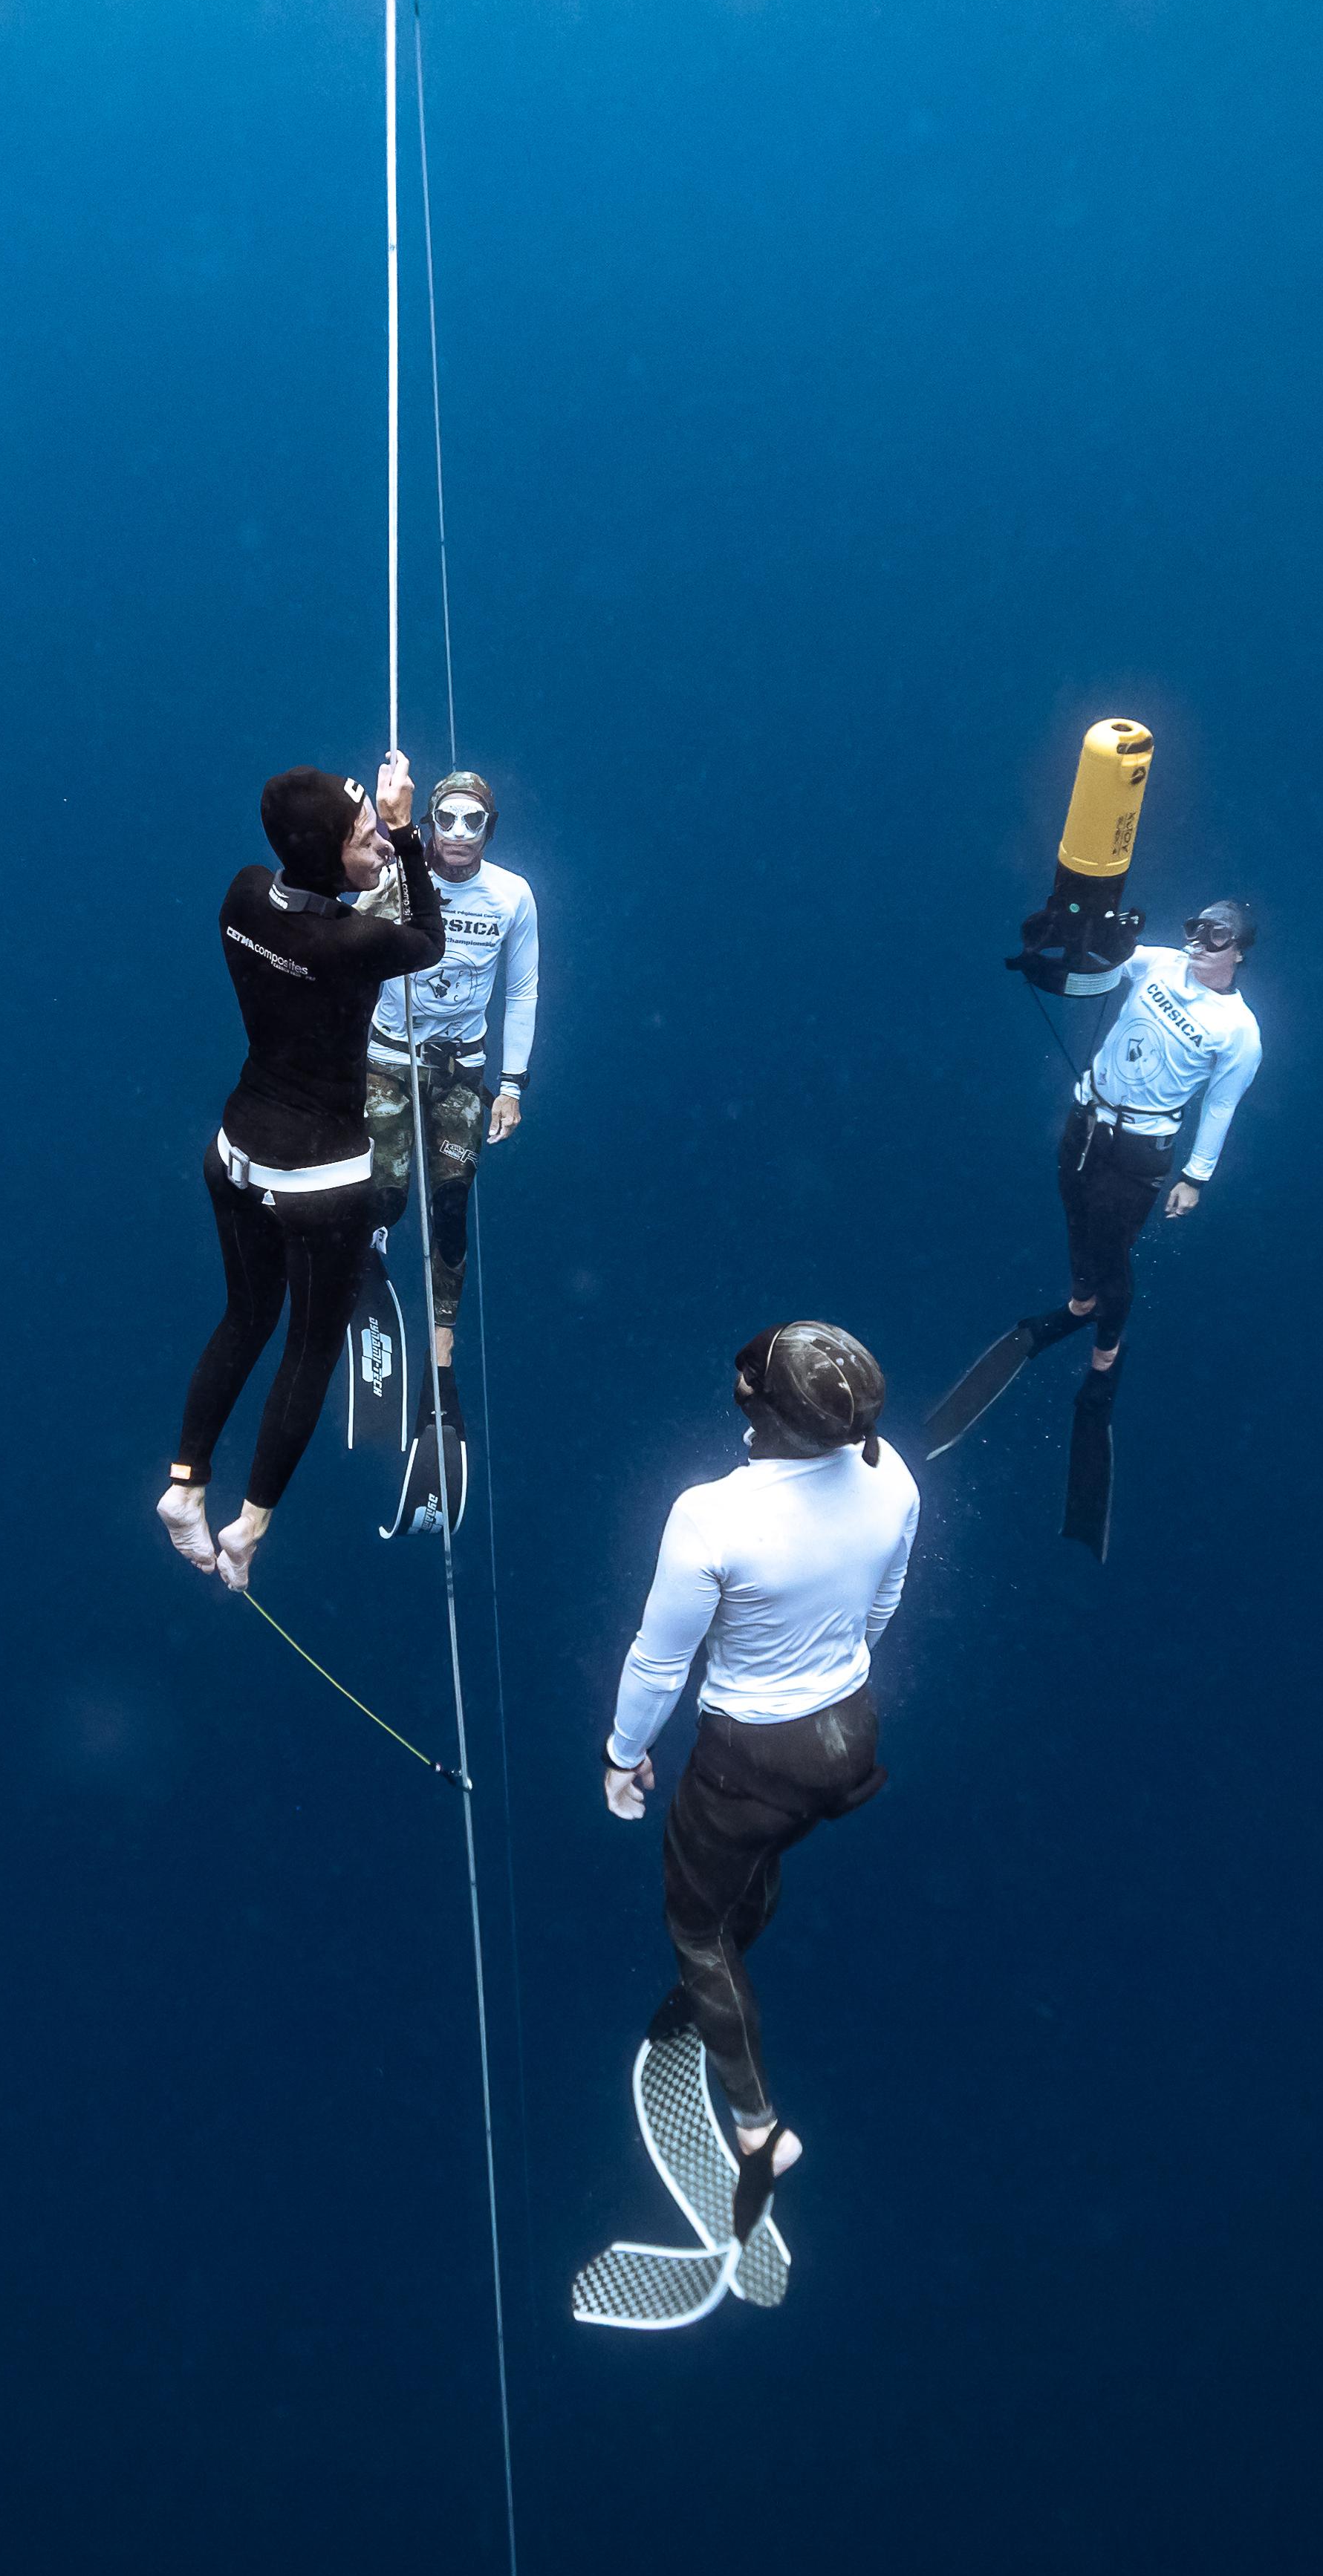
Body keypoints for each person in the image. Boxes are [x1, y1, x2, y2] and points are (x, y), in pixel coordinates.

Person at [602, 1323, 920, 2237]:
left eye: (750, 1374)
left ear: (765, 1411)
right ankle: (725, 1976)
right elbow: (882, 1606)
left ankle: (758, 2131)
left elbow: (659, 1662)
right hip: (849, 1737)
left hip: (749, 1760)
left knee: (694, 1925)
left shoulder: (711, 1516)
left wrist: (622, 1754)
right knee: (760, 1855)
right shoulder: (894, 1476)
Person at [159, 750, 441, 1594]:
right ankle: (248, 1527)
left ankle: (186, 1485)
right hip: (320, 1185)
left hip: (236, 1154)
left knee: (245, 1317)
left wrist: (371, 827)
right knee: (311, 1350)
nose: (379, 845)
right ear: (326, 856)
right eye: (364, 838)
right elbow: (427, 939)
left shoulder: (243, 895)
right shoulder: (354, 943)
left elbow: (316, 886)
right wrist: (408, 833)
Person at [363, 768, 539, 1392]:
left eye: (474, 821)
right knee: (386, 1197)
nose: (459, 833)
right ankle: (363, 1271)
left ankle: (442, 1359)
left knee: (451, 1208)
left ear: (491, 828)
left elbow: (522, 990)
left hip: (460, 1071)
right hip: (387, 1060)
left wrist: (511, 1086)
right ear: (430, 822)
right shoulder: (394, 877)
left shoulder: (512, 895)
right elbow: (340, 949)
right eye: (446, 818)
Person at [1035, 897, 1264, 1379]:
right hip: (1086, 1116)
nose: (1200, 942)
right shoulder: (1162, 962)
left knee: (1111, 1251)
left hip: (1139, 1150)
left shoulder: (1239, 1031)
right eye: (1196, 928)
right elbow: (1106, 966)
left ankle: (1105, 1356)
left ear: (1239, 950)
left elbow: (1220, 1106)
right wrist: (1070, 942)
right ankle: (1080, 1304)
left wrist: (1194, 1178)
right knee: (1075, 1216)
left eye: (1218, 935)